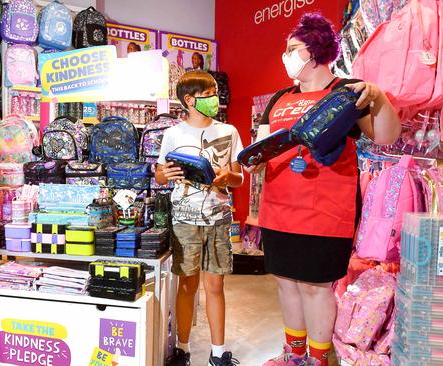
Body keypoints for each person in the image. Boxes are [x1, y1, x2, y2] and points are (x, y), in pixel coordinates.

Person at [247, 13, 401, 366]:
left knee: (315, 287)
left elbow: (387, 135)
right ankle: (293, 354)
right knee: (286, 283)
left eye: (293, 48)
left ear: (316, 49)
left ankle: (318, 359)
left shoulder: (349, 92)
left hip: (326, 211)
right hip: (278, 209)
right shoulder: (278, 99)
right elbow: (258, 151)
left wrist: (377, 98)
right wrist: (250, 160)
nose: (286, 56)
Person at [156, 70, 244, 366]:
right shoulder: (173, 133)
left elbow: (239, 178)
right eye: (209, 95)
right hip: (184, 219)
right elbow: (159, 173)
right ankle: (182, 348)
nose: (215, 100)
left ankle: (218, 354)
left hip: (219, 218)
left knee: (215, 287)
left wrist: (226, 176)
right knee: (186, 286)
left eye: (215, 93)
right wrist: (164, 173)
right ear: (190, 100)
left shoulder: (229, 131)